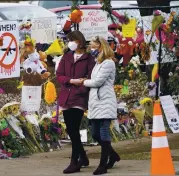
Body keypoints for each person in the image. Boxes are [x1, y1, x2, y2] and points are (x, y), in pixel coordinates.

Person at [56, 30, 95, 174]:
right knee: (71, 130)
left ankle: (75, 161)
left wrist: (81, 87)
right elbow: (59, 75)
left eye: (71, 40)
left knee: (73, 128)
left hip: (79, 97)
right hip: (66, 96)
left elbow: (90, 77)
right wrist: (70, 81)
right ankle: (83, 156)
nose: (69, 43)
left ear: (78, 41)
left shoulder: (89, 59)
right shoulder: (66, 57)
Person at [81, 36, 120, 175]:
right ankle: (113, 155)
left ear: (100, 46)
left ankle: (102, 165)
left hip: (105, 100)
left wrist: (84, 82)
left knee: (103, 132)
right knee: (95, 133)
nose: (91, 49)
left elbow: (97, 82)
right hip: (96, 101)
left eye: (93, 46)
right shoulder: (98, 63)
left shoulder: (108, 63)